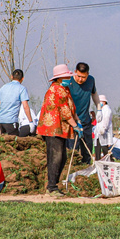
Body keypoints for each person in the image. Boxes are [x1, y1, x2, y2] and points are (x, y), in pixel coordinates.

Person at [37, 64, 82, 196]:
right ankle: (51, 187)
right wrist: (75, 125)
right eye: (67, 76)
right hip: (53, 128)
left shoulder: (64, 89)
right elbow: (65, 111)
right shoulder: (57, 89)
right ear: (61, 78)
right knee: (56, 157)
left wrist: (77, 120)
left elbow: (71, 107)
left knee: (62, 157)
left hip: (60, 128)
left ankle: (53, 184)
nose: (69, 78)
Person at [69, 62, 100, 165]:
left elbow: (94, 94)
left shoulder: (91, 80)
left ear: (87, 75)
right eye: (78, 76)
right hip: (71, 122)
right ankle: (72, 168)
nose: (80, 79)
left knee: (87, 148)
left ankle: (86, 167)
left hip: (85, 120)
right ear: (75, 72)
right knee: (72, 149)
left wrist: (99, 108)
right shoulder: (68, 81)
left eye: (83, 77)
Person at [0, 69, 30, 136]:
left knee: (4, 140)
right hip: (11, 121)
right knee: (13, 140)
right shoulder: (21, 88)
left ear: (11, 76)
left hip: (1, 121)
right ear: (22, 78)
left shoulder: (3, 88)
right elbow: (25, 106)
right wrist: (30, 121)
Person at [94, 95, 114, 159]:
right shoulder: (100, 110)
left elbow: (106, 119)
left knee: (104, 147)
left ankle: (109, 160)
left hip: (104, 132)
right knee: (97, 147)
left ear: (104, 102)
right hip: (98, 132)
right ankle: (97, 160)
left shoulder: (107, 109)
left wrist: (104, 128)